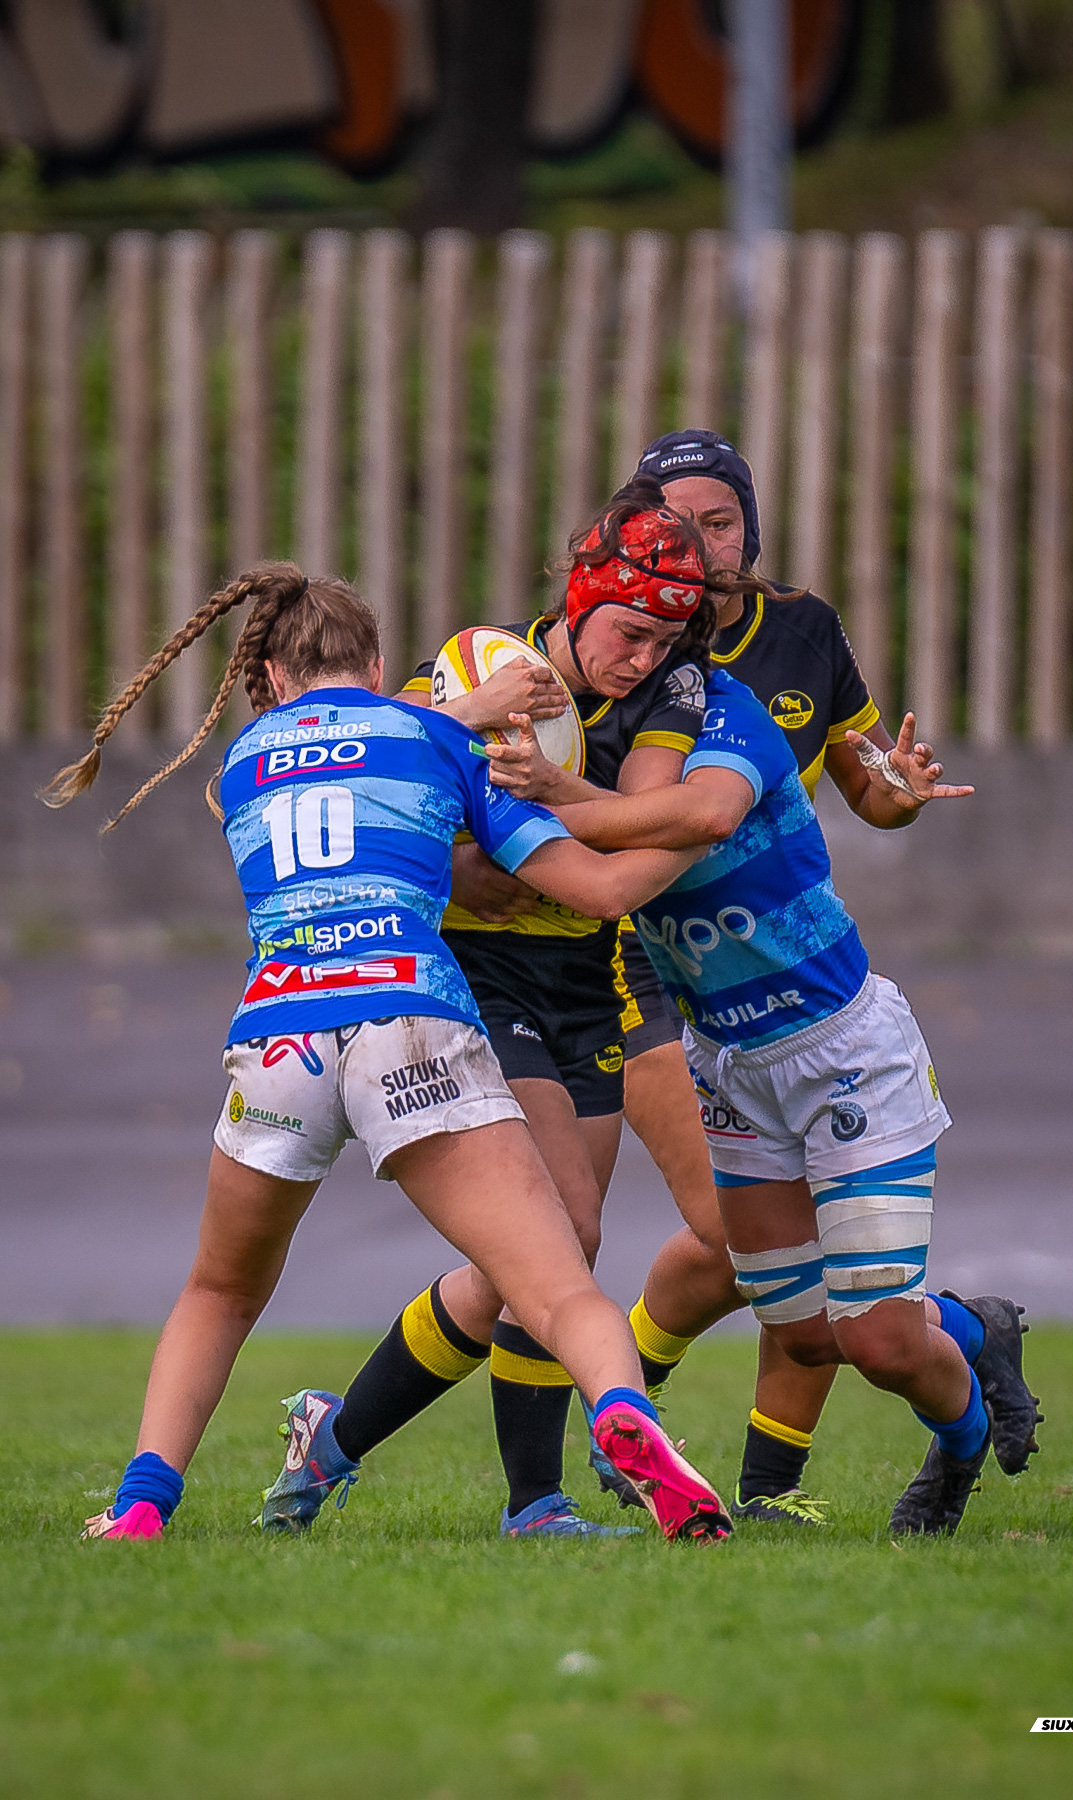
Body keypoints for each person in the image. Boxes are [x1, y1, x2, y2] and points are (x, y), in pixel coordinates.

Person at [41, 561, 731, 1546]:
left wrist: (449, 717)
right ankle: (626, 1416)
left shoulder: (238, 762)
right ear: (375, 661)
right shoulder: (439, 744)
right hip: (411, 1021)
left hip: (278, 1037)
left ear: (271, 676)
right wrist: (701, 828)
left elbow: (314, 764)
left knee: (220, 1287)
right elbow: (598, 891)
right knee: (556, 1282)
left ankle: (142, 1504)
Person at [265, 481, 750, 1539]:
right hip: (485, 976)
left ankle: (332, 1440)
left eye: (666, 637)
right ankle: (535, 1502)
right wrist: (457, 865)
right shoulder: (479, 671)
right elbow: (382, 799)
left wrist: (564, 806)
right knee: (564, 1230)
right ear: (575, 605)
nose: (643, 657)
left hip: (596, 973)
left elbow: (628, 830)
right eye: (626, 632)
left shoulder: (674, 690)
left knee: (525, 1262)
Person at [576, 430, 1040, 1523]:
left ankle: (952, 1439)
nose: (695, 546)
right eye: (669, 527)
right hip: (725, 1058)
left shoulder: (756, 674)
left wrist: (896, 789)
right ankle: (964, 1334)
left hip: (836, 1042)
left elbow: (775, 798)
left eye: (717, 521)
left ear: (749, 526)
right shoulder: (615, 685)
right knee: (798, 1325)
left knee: (874, 1337)